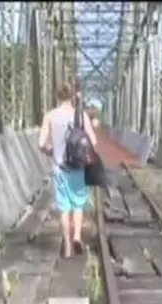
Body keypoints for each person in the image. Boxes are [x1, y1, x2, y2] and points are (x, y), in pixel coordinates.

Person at [38, 82, 98, 258]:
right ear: (73, 97)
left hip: (59, 168)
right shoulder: (81, 116)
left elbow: (41, 144)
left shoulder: (50, 116)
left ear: (57, 97)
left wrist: (51, 151)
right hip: (78, 167)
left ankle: (68, 248)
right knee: (78, 205)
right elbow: (93, 142)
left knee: (65, 208)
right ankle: (78, 236)